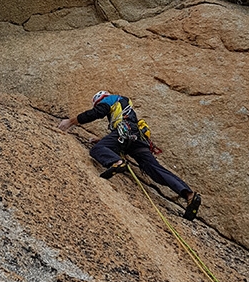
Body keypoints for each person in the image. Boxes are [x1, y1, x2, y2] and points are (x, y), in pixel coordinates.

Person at [59, 90, 201, 220]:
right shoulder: (125, 107)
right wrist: (103, 139)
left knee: (97, 149)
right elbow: (122, 130)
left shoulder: (111, 99)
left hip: (126, 133)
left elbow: (96, 113)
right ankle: (189, 194)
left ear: (101, 99)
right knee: (154, 169)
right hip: (136, 138)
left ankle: (117, 163)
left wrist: (71, 122)